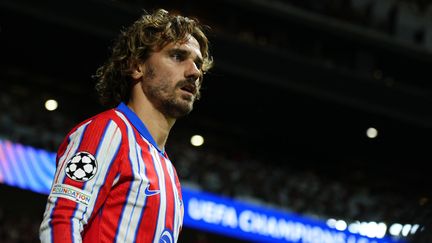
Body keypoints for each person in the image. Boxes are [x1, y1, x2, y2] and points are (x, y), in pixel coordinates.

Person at [39, 8, 213, 243]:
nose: (194, 72)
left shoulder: (169, 174)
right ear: (137, 66)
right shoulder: (106, 132)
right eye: (178, 56)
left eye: (198, 64)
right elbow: (61, 222)